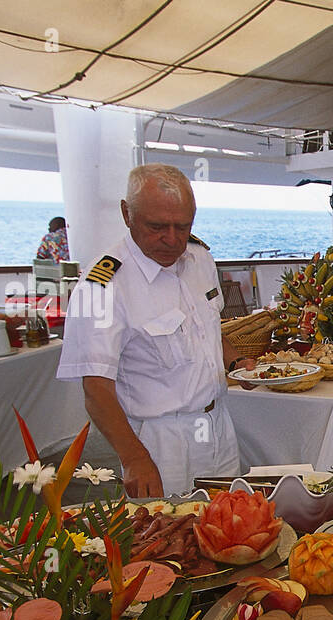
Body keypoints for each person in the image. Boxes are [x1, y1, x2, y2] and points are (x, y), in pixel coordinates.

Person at [57, 164, 255, 497]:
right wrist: (134, 457)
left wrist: (235, 362)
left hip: (216, 426)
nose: (172, 239)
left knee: (225, 530)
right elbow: (95, 388)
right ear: (126, 213)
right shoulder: (101, 287)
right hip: (160, 441)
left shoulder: (200, 259)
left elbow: (208, 328)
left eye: (183, 226)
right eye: (157, 226)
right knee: (168, 541)